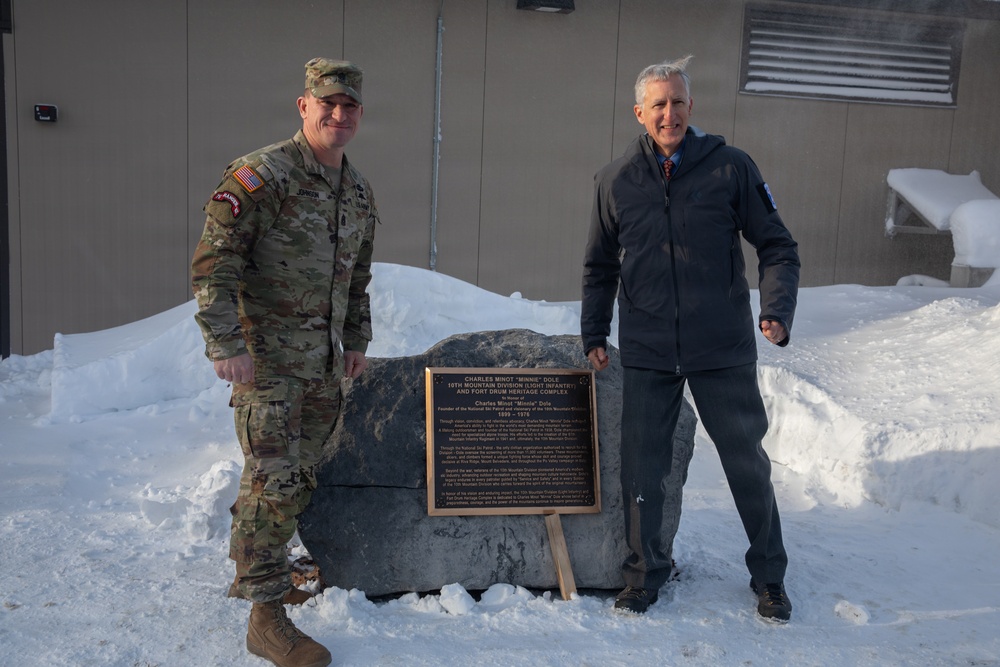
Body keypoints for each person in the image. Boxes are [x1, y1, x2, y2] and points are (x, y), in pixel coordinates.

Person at [581, 55, 800, 621]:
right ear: (639, 113)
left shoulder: (731, 167)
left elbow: (777, 246)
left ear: (691, 107)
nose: (669, 113)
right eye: (658, 104)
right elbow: (599, 266)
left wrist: (775, 310)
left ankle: (770, 579)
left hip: (721, 346)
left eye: (678, 102)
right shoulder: (614, 180)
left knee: (746, 463)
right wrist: (594, 332)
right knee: (642, 468)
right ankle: (644, 575)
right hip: (650, 347)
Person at [191, 58, 378, 667]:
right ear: (304, 105)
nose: (338, 114)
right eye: (327, 103)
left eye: (349, 106)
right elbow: (213, 266)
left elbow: (358, 279)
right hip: (266, 366)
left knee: (296, 479)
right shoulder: (261, 176)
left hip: (321, 368)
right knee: (273, 482)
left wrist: (355, 340)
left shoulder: (356, 190)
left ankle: (267, 571)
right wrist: (226, 345)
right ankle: (264, 618)